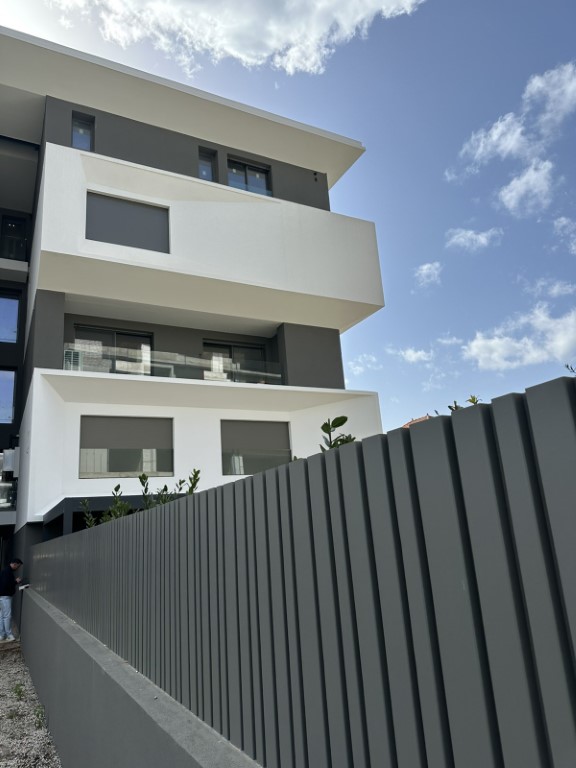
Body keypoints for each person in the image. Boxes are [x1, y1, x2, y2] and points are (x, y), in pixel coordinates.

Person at [0, 558, 23, 642]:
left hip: (2, 596)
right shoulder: (7, 572)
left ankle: (2, 635)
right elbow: (6, 584)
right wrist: (16, 582)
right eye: (18, 566)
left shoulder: (5, 571)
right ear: (14, 564)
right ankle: (9, 635)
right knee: (7, 616)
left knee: (2, 616)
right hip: (5, 597)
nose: (18, 568)